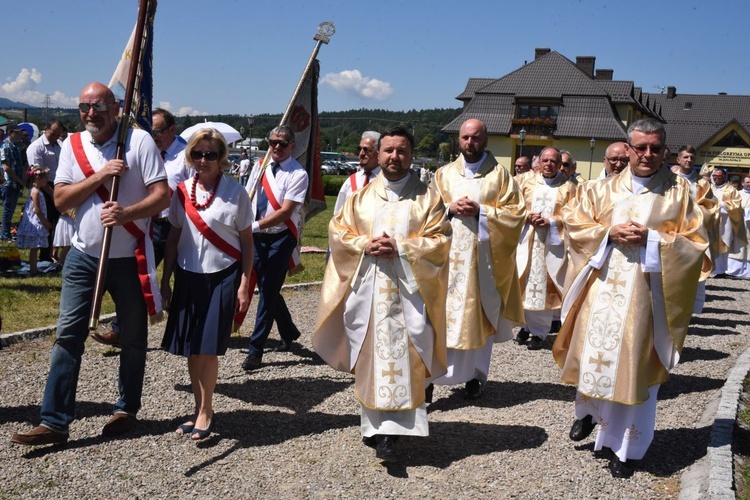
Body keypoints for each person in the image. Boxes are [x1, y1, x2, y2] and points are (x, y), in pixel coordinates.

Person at [10, 82, 169, 446]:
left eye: (98, 106)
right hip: (83, 257)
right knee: (68, 333)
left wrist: (127, 211)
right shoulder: (74, 144)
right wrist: (100, 176)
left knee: (132, 336)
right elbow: (62, 197)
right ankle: (54, 421)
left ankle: (126, 408)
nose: (91, 114)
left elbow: (162, 196)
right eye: (84, 107)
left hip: (129, 257)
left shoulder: (140, 142)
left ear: (115, 108)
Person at [554, 118, 708, 478]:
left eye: (656, 148)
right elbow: (574, 227)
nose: (648, 154)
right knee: (596, 359)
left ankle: (628, 449)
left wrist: (652, 241)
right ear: (628, 149)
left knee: (637, 369)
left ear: (664, 150)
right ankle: (589, 415)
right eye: (641, 147)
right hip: (601, 291)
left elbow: (697, 244)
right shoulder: (599, 190)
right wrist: (608, 233)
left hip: (647, 299)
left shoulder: (680, 194)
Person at [313, 126, 451, 462]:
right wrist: (364, 244)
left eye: (401, 151)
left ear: (412, 154)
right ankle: (374, 428)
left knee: (408, 356)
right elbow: (338, 232)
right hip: (370, 292)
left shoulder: (428, 198)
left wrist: (401, 247)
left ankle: (394, 432)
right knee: (372, 357)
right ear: (379, 154)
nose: (394, 157)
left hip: (409, 295)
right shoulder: (361, 197)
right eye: (388, 150)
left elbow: (441, 240)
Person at [161, 128, 253, 441]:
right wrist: (165, 281)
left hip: (223, 275)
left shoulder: (236, 193)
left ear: (221, 158)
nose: (204, 160)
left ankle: (206, 410)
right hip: (187, 274)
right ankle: (198, 406)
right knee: (192, 348)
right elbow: (173, 238)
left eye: (211, 154)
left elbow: (247, 244)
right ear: (190, 155)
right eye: (198, 154)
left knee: (208, 348)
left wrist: (244, 285)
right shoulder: (182, 191)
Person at [430, 119, 525, 400]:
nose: (470, 143)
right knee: (440, 316)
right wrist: (449, 208)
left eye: (476, 138)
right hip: (447, 259)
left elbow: (516, 214)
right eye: (465, 138)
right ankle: (432, 376)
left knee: (479, 313)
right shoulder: (443, 174)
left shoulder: (501, 176)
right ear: (458, 140)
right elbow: (425, 210)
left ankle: (475, 375)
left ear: (485, 140)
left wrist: (482, 212)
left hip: (483, 262)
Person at [92, 107, 191, 347]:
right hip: (148, 225)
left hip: (177, 226)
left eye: (157, 131)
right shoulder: (141, 150)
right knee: (137, 278)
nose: (152, 136)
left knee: (184, 279)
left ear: (172, 130)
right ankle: (121, 330)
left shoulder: (186, 156)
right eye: (149, 130)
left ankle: (185, 332)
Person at [241, 125, 308, 371]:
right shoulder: (259, 167)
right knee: (267, 286)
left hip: (280, 238)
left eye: (283, 143)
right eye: (273, 142)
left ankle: (255, 350)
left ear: (293, 146)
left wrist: (252, 226)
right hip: (257, 237)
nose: (277, 147)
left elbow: (285, 212)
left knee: (267, 292)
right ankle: (288, 330)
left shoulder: (298, 174)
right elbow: (247, 195)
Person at [515, 147, 575, 350]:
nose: (549, 164)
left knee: (544, 287)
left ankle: (540, 333)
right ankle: (525, 326)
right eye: (545, 160)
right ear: (539, 163)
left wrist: (550, 222)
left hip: (552, 244)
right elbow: (514, 208)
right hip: (526, 241)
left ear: (560, 165)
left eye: (554, 161)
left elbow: (573, 217)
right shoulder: (525, 183)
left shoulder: (568, 188)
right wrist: (527, 217)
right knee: (524, 283)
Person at [670, 145, 717, 310]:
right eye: (685, 157)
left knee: (692, 270)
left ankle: (688, 306)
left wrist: (692, 211)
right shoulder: (669, 179)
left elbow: (711, 208)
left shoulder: (703, 183)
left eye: (692, 157)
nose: (689, 160)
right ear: (678, 159)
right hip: (671, 231)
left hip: (694, 233)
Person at [26, 120, 65, 261]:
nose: (55, 137)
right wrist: (52, 193)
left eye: (58, 135)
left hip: (58, 185)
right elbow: (38, 174)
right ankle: (43, 256)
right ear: (46, 129)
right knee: (46, 223)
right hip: (44, 188)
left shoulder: (59, 146)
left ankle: (50, 253)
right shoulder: (36, 147)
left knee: (56, 222)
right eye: (53, 134)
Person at [16, 166, 54, 276]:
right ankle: (33, 269)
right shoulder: (36, 192)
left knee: (35, 248)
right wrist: (46, 223)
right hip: (36, 223)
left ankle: (34, 268)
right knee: (34, 248)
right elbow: (37, 210)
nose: (47, 181)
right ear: (38, 178)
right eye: (45, 178)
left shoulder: (35, 190)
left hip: (37, 221)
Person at [333, 131, 381, 215]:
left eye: (366, 149)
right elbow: (338, 215)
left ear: (379, 153)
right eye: (360, 149)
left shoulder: (386, 180)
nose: (361, 153)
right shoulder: (352, 180)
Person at [710, 167, 746, 276]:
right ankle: (710, 269)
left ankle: (720, 270)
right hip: (711, 222)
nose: (716, 178)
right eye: (714, 176)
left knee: (723, 244)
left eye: (719, 176)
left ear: (724, 177)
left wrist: (720, 205)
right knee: (711, 244)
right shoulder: (709, 188)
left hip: (725, 222)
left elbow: (736, 205)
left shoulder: (730, 190)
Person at [1, 124, 26, 242]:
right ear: (10, 132)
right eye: (17, 132)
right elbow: (6, 167)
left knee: (11, 210)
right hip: (10, 183)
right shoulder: (6, 147)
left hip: (16, 184)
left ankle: (6, 234)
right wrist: (19, 180)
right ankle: (5, 235)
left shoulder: (15, 147)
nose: (19, 135)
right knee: (7, 209)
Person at [727, 174, 750, 278]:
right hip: (739, 224)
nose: (749, 184)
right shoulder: (737, 194)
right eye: (747, 182)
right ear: (743, 183)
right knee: (737, 246)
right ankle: (733, 270)